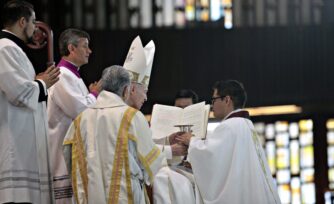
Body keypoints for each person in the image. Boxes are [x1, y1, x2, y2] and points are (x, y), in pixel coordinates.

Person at [63, 65, 164, 203]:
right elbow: (151, 162)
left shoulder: (80, 120)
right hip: (125, 195)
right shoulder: (132, 116)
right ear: (126, 90)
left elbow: (68, 158)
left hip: (90, 195)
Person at [176, 80, 281, 204]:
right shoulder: (246, 124)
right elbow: (225, 163)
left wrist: (191, 141)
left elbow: (211, 157)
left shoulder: (230, 126)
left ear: (227, 100)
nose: (211, 105)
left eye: (214, 100)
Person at [123, 36, 197, 204]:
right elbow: (141, 152)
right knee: (174, 182)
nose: (146, 97)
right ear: (133, 89)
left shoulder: (131, 113)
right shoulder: (128, 116)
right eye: (145, 91)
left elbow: (145, 144)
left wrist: (166, 140)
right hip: (129, 181)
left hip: (138, 176)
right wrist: (173, 150)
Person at [0, 0, 60, 203]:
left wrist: (39, 83)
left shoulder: (13, 49)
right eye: (34, 23)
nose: (35, 29)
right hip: (16, 147)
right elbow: (18, 92)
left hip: (25, 143)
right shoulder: (4, 49)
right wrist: (42, 83)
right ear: (23, 22)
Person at [47, 28, 101, 203]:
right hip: (62, 150)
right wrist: (95, 93)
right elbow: (80, 111)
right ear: (71, 48)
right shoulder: (62, 76)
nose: (89, 51)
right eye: (85, 46)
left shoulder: (73, 76)